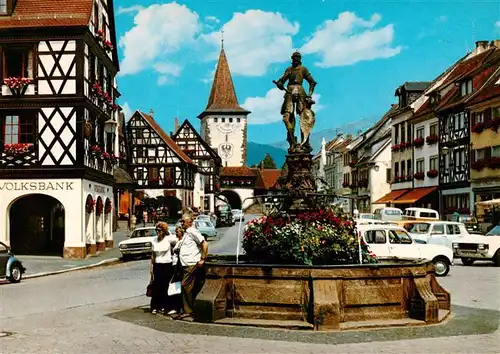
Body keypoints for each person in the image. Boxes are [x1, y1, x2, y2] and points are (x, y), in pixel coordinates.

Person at [175, 214, 208, 321]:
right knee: (188, 287)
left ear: (190, 222)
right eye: (181, 221)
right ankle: (188, 311)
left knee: (186, 286)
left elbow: (204, 244)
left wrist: (202, 258)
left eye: (183, 222)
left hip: (192, 263)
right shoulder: (187, 233)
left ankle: (189, 311)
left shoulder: (193, 231)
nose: (182, 223)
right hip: (186, 264)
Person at [149, 222, 173, 315]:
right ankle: (155, 306)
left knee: (165, 286)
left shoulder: (169, 239)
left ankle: (165, 306)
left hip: (167, 264)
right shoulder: (153, 240)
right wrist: (151, 268)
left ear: (164, 231)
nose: (158, 232)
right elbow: (153, 255)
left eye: (160, 230)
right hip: (158, 265)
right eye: (157, 230)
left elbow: (179, 241)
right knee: (156, 286)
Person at [169, 226, 185, 316]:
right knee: (175, 286)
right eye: (175, 231)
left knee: (177, 287)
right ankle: (176, 306)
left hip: (178, 266)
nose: (176, 233)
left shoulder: (182, 242)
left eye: (177, 232)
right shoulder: (177, 241)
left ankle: (178, 307)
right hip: (174, 264)